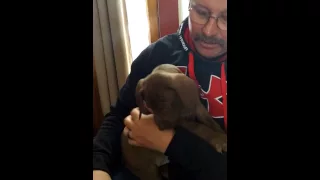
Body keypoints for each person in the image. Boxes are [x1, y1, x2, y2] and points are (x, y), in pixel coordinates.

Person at [93, 0, 227, 179]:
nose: (209, 31)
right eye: (201, 13)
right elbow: (119, 116)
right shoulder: (157, 54)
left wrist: (170, 142)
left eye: (226, 18)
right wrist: (98, 166)